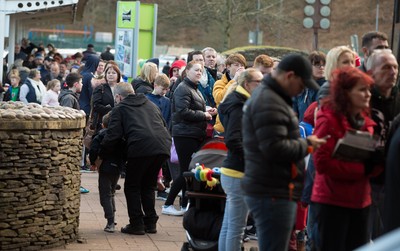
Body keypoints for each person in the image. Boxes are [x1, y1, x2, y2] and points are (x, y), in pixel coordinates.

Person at [241, 54, 326, 251]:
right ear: (290, 76)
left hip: (272, 188)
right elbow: (275, 148)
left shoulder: (271, 97)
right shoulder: (270, 101)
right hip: (272, 190)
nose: (302, 90)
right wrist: (307, 145)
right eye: (302, 84)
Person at [311, 66, 382, 251]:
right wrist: (363, 169)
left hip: (360, 201)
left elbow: (369, 165)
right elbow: (322, 163)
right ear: (345, 93)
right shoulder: (328, 120)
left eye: (368, 90)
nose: (367, 94)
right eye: (361, 89)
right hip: (332, 201)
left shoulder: (367, 122)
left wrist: (377, 163)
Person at [100, 82, 171, 235]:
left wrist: (101, 152)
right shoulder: (150, 104)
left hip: (141, 147)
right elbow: (163, 124)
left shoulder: (120, 108)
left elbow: (113, 135)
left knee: (132, 186)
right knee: (148, 185)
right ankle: (150, 223)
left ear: (118, 96)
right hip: (162, 146)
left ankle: (137, 224)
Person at [162, 60, 218, 216]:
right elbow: (182, 111)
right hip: (184, 134)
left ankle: (186, 204)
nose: (199, 72)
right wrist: (204, 115)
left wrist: (207, 110)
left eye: (201, 70)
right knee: (186, 171)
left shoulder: (194, 88)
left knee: (190, 170)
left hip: (192, 133)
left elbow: (193, 107)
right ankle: (168, 204)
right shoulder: (183, 88)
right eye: (196, 70)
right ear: (186, 72)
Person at [218, 68, 263, 251]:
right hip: (238, 172)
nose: (262, 85)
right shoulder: (239, 105)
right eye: (258, 82)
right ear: (247, 84)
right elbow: (233, 140)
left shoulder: (237, 101)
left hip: (233, 171)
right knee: (236, 228)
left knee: (230, 226)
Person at [366, 49, 400, 239]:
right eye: (386, 67)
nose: (393, 72)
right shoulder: (363, 99)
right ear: (371, 72)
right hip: (368, 180)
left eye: (395, 67)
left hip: (392, 180)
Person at [89, 111, 124, 233]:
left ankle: (110, 222)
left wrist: (93, 162)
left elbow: (93, 150)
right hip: (117, 168)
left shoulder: (101, 135)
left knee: (105, 195)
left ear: (103, 125)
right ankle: (112, 218)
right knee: (111, 193)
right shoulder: (120, 136)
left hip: (105, 167)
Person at [145, 73, 172, 201]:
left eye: (167, 89)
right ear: (155, 85)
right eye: (163, 89)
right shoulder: (146, 99)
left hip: (163, 135)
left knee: (162, 163)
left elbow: (169, 118)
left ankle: (161, 188)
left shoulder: (167, 101)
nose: (165, 92)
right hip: (149, 135)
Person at [213, 53, 246, 134]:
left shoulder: (246, 83)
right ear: (228, 67)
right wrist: (234, 80)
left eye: (242, 65)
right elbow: (219, 99)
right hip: (222, 128)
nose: (240, 68)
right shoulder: (219, 83)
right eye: (236, 65)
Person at [293, 51, 326, 122]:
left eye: (324, 65)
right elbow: (293, 111)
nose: (322, 68)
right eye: (317, 65)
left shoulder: (327, 88)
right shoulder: (301, 87)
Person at [92, 65, 120, 134]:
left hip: (118, 121)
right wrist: (111, 110)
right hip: (103, 122)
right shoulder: (100, 88)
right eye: (108, 73)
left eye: (113, 73)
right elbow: (96, 105)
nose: (111, 75)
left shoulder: (121, 88)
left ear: (118, 75)